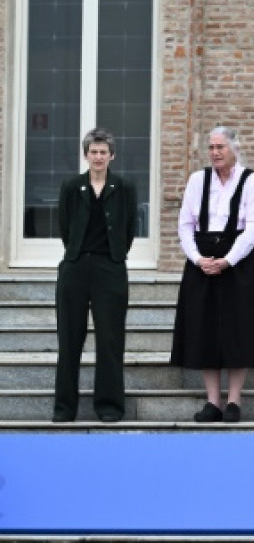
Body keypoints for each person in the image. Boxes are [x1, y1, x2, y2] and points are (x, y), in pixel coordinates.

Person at [170, 126, 254, 423]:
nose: (215, 152)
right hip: (202, 260)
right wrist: (196, 258)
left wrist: (228, 260)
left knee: (238, 330)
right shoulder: (197, 180)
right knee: (204, 329)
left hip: (240, 262)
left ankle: (234, 400)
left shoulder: (252, 181)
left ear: (234, 149)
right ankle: (212, 401)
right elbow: (185, 224)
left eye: (220, 147)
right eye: (211, 147)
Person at [53, 128, 138, 423]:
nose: (98, 157)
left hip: (110, 268)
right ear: (86, 154)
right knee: (69, 339)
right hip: (75, 268)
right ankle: (64, 409)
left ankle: (110, 407)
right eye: (93, 151)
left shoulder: (125, 187)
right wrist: (79, 254)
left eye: (103, 152)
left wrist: (112, 256)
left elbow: (128, 229)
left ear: (111, 156)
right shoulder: (70, 186)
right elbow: (65, 228)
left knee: (110, 340)